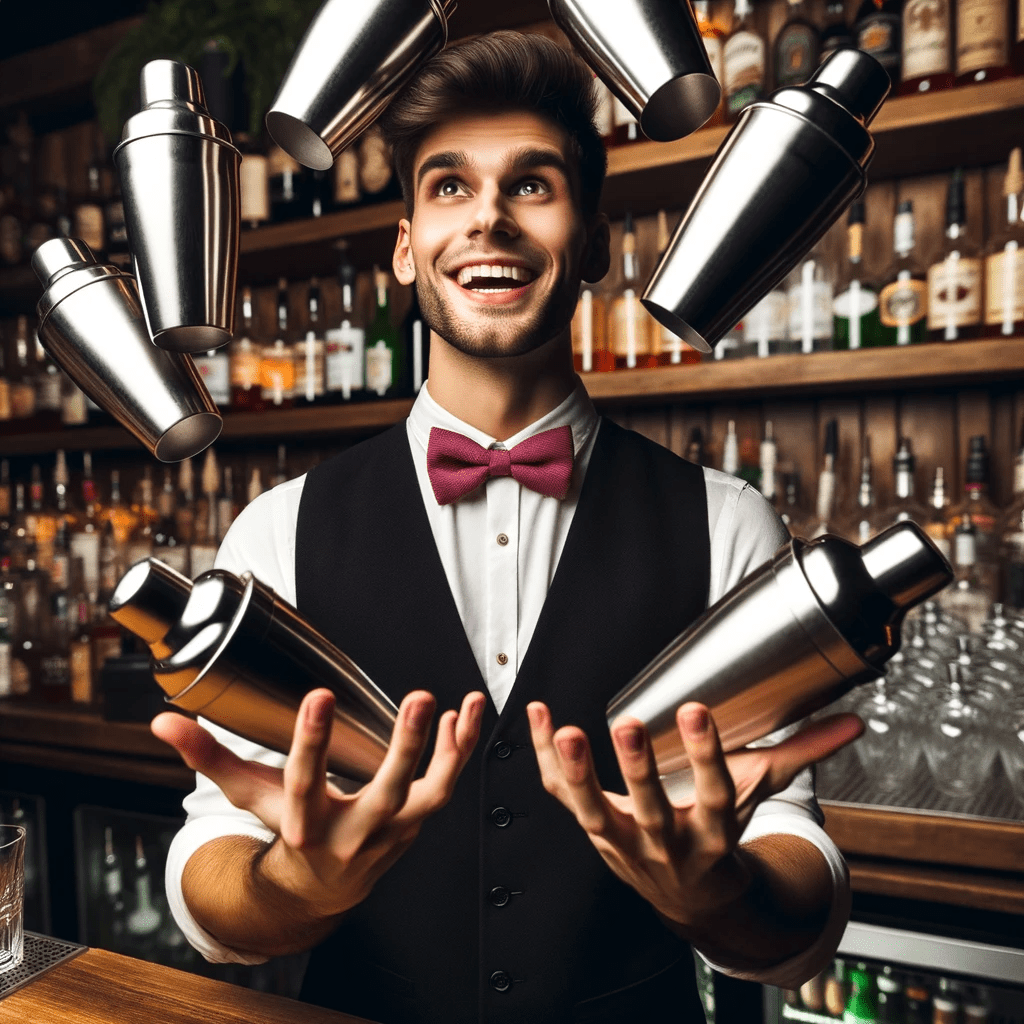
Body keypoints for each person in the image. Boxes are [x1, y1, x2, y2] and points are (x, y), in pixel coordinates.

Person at [153, 31, 863, 1024]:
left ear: (595, 241)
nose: (487, 215)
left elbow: (796, 883)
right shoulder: (277, 531)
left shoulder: (728, 523)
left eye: (532, 185)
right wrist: (290, 885)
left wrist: (722, 894)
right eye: (448, 186)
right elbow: (210, 875)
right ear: (404, 247)